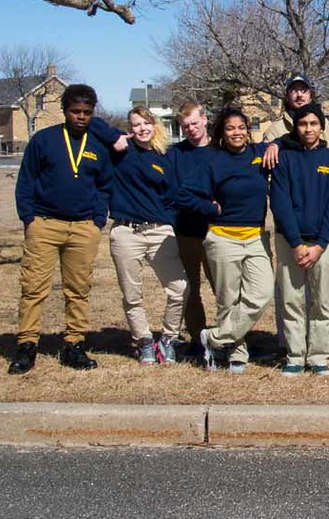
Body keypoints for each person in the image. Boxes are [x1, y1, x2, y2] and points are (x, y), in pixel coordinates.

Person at [10, 84, 113, 374]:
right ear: (65, 111)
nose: (81, 117)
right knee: (33, 288)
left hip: (83, 228)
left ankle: (74, 343)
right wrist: (29, 218)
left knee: (78, 289)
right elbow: (26, 181)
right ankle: (27, 344)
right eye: (76, 111)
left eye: (87, 112)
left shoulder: (97, 145)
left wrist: (97, 219)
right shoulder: (45, 140)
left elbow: (105, 185)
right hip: (44, 224)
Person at [176, 107, 275, 374]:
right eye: (230, 128)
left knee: (262, 293)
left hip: (255, 237)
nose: (237, 133)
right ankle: (237, 353)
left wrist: (275, 144)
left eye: (241, 127)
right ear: (222, 132)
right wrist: (211, 209)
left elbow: (284, 141)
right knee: (227, 300)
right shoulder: (213, 161)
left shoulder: (258, 154)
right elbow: (183, 195)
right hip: (222, 239)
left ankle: (214, 338)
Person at [102, 107, 188, 365]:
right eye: (136, 124)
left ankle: (169, 339)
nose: (142, 129)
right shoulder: (120, 151)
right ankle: (144, 341)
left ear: (155, 125)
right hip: (125, 232)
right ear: (130, 128)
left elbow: (173, 196)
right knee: (131, 293)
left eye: (146, 123)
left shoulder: (165, 156)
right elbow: (95, 124)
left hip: (159, 231)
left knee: (180, 288)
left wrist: (169, 222)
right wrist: (115, 136)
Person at [270, 103, 329, 376]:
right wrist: (296, 243)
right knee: (291, 301)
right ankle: (294, 355)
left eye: (314, 124)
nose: (309, 129)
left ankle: (318, 357)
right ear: (296, 127)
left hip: (323, 244)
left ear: (322, 126)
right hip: (290, 242)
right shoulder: (284, 159)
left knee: (322, 302)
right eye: (303, 124)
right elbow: (280, 203)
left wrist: (319, 245)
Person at [167, 101, 216, 355]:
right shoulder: (176, 154)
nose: (191, 129)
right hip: (185, 231)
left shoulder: (220, 150)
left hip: (216, 231)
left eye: (195, 123)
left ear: (205, 120)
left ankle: (225, 337)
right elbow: (174, 193)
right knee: (189, 289)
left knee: (223, 287)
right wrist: (206, 204)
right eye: (185, 126)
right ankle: (197, 338)